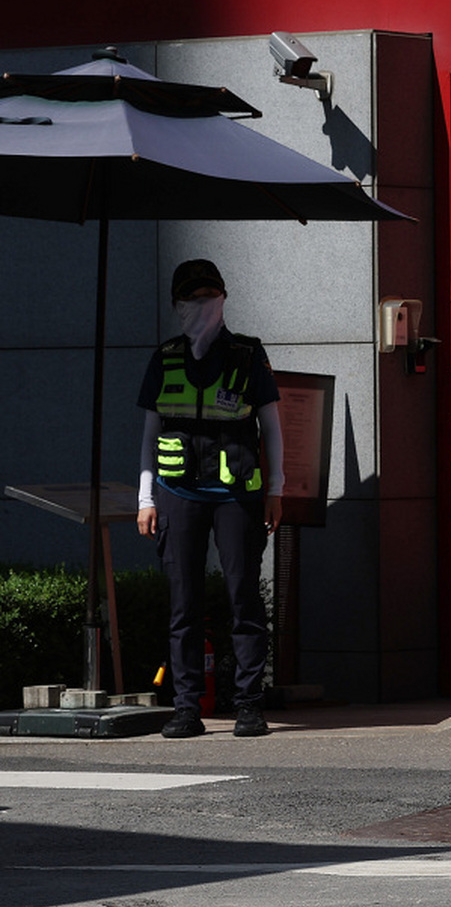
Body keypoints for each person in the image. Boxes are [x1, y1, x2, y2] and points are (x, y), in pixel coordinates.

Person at [136, 259, 284, 739]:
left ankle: (249, 705)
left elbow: (272, 427)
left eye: (211, 296)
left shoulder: (247, 354)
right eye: (193, 297)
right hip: (178, 492)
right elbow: (150, 433)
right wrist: (146, 498)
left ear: (223, 300)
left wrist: (275, 489)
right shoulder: (166, 357)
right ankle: (185, 708)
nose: (203, 305)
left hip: (236, 494)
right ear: (177, 305)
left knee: (243, 597)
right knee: (184, 604)